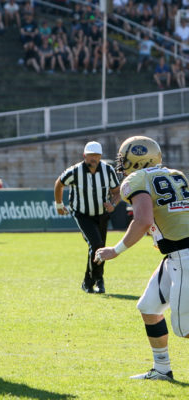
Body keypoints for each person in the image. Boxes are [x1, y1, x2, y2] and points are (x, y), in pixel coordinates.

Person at [95, 136, 189, 381]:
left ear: (136, 160)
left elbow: (143, 219)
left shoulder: (136, 179)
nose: (122, 165)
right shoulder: (176, 174)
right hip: (175, 254)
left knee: (185, 329)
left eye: (124, 159)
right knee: (149, 307)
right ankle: (162, 369)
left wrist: (115, 250)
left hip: (184, 256)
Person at [54, 141, 120, 294]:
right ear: (84, 156)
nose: (93, 159)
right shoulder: (75, 171)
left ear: (100, 156)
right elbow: (59, 183)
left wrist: (113, 204)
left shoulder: (108, 170)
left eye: (96, 156)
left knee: (100, 248)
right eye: (90, 156)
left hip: (101, 214)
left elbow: (117, 191)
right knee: (96, 244)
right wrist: (59, 205)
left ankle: (98, 280)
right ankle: (89, 282)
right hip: (82, 214)